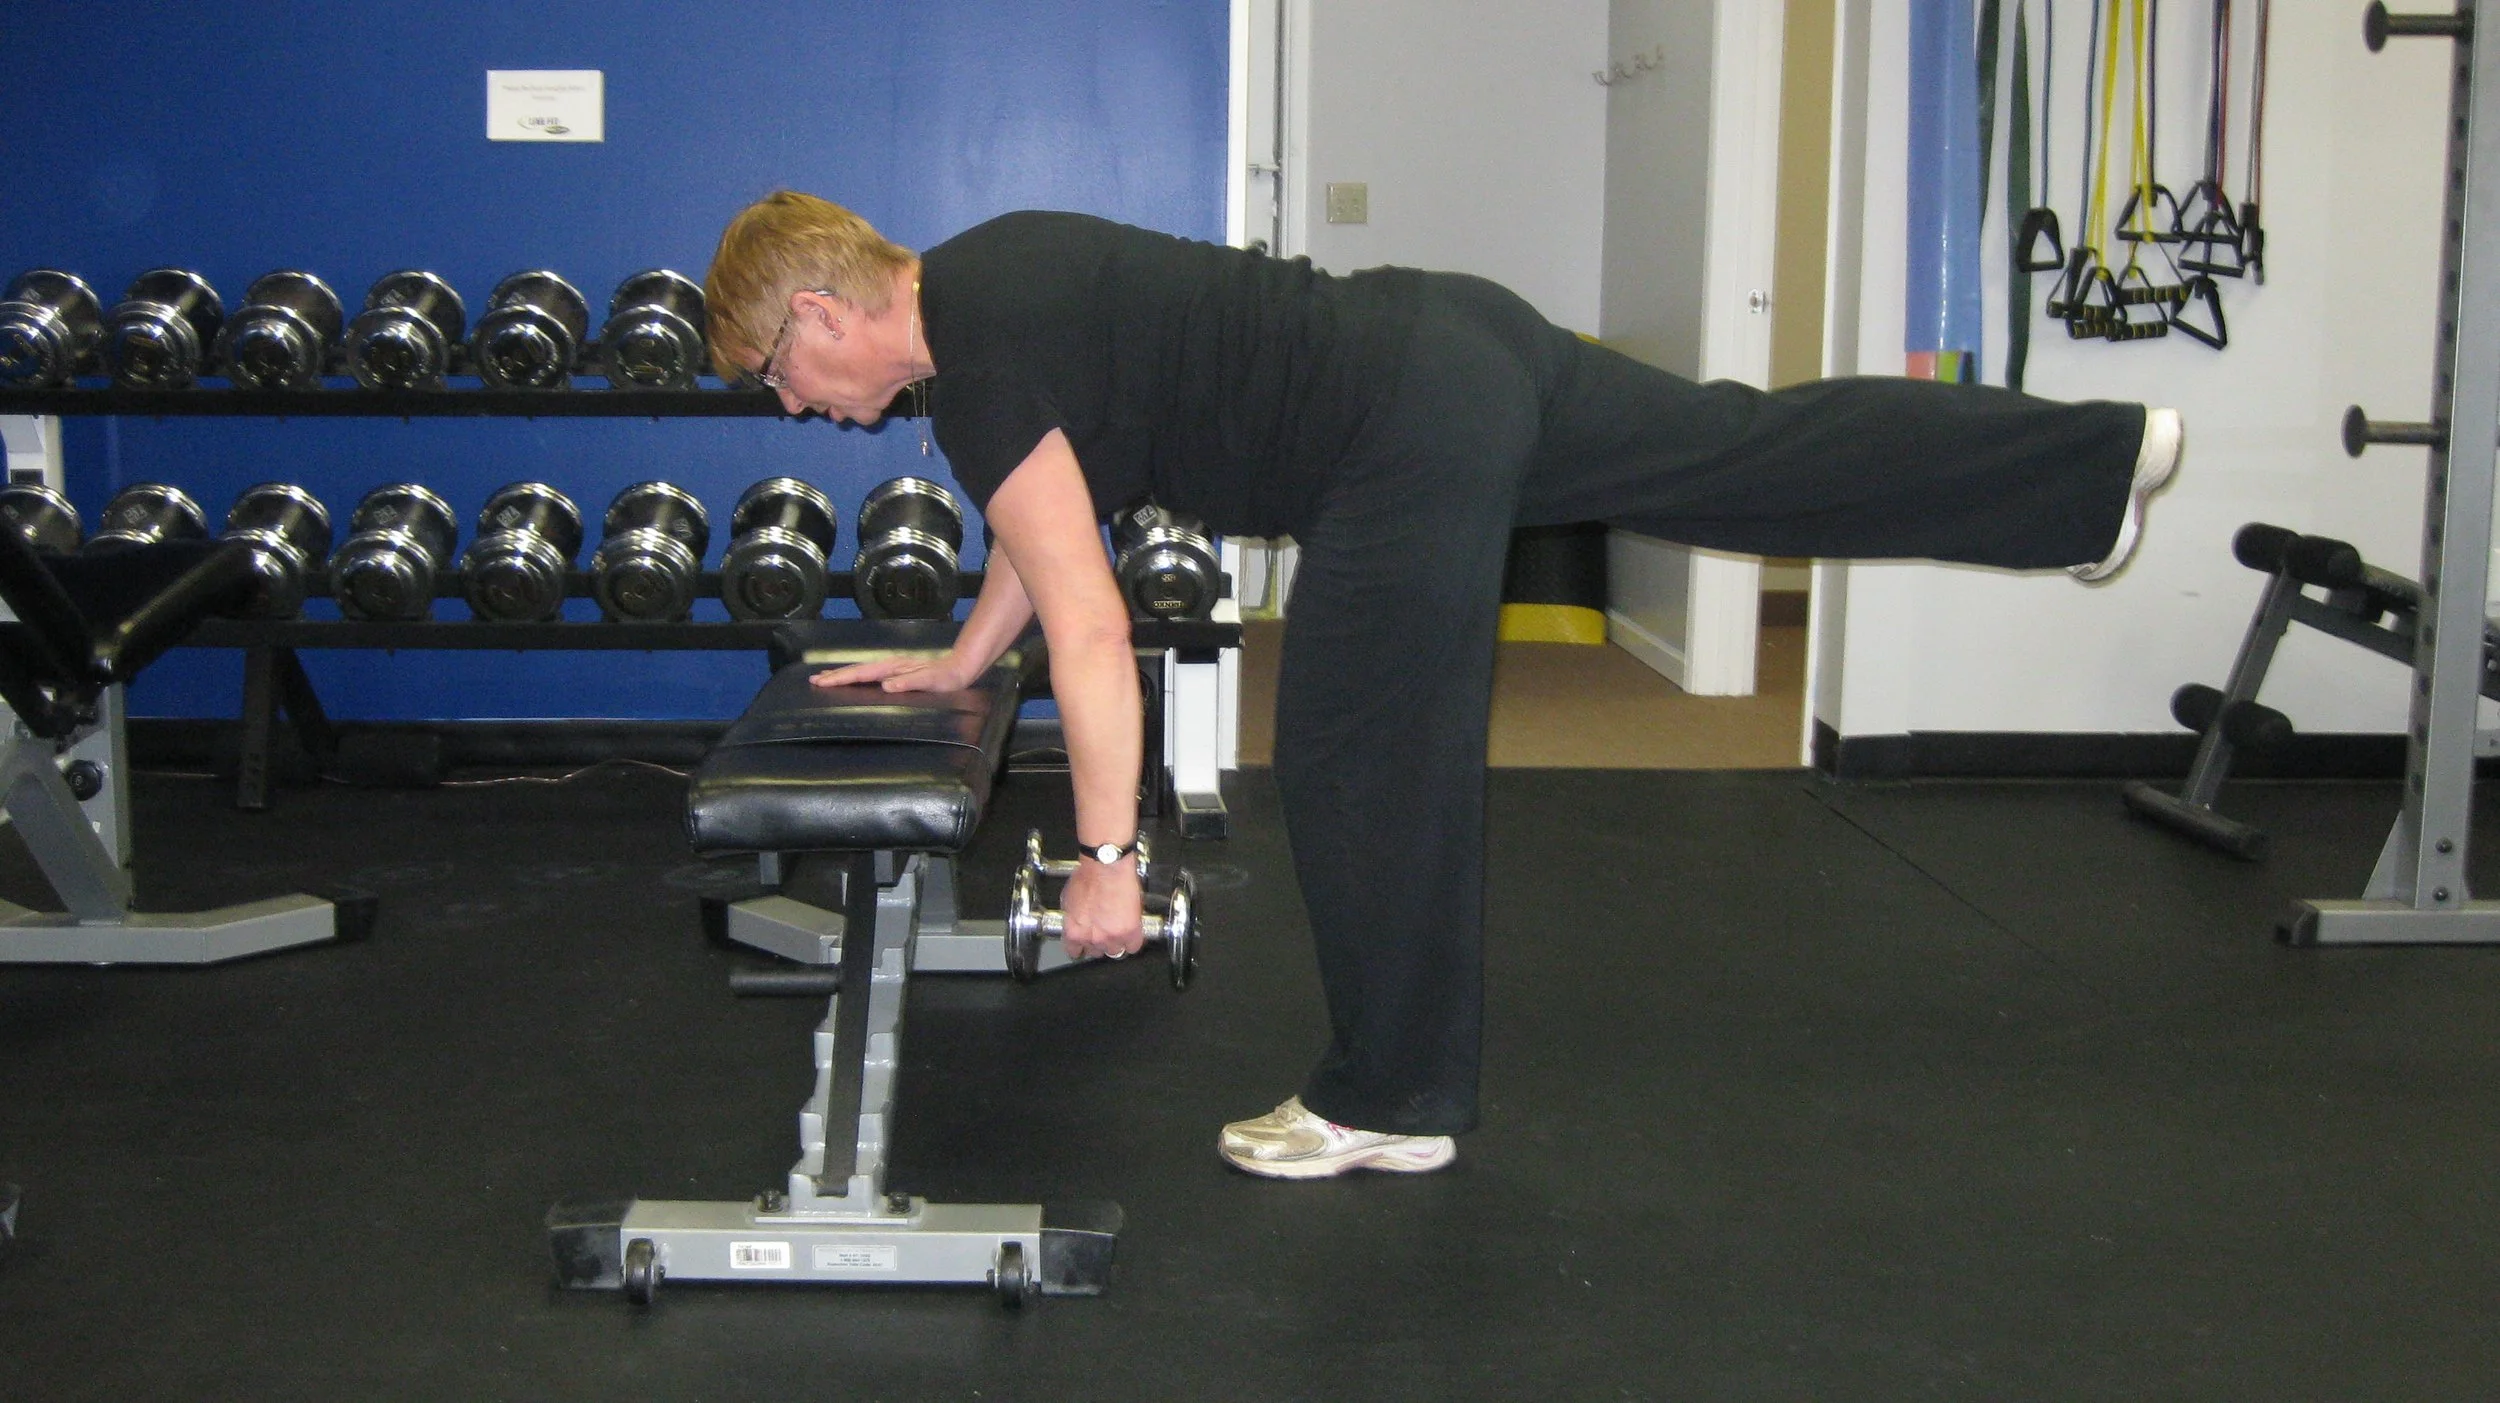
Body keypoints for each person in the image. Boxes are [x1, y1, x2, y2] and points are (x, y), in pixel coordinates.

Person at [702, 192, 2181, 1181]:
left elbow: (1090, 627)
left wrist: (1105, 861)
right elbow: (1048, 540)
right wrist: (965, 657)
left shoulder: (982, 364)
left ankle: (1387, 1100)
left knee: (1350, 750)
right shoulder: (989, 278)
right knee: (1750, 452)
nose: (791, 404)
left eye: (775, 372)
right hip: (1463, 337)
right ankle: (2091, 472)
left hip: (1395, 433)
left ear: (822, 316)